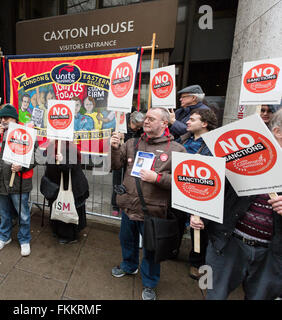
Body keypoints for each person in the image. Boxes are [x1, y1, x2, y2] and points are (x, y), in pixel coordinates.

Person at [191, 108, 282, 300]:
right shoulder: (245, 152)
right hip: (226, 243)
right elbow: (215, 188)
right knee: (211, 291)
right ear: (278, 132)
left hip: (271, 254)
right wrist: (200, 214)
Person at [110, 107, 186, 300]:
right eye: (146, 118)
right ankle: (129, 266)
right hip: (129, 206)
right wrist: (115, 148)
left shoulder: (177, 149)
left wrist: (157, 178)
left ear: (164, 123)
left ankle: (150, 282)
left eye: (152, 118)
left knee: (152, 250)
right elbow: (116, 165)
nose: (146, 120)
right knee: (127, 241)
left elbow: (183, 181)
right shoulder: (132, 142)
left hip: (153, 211)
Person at [0, 104, 38, 257]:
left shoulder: (27, 132)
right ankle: (4, 237)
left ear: (15, 118)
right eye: (1, 117)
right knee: (4, 212)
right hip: (1, 180)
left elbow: (36, 157)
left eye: (6, 117)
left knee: (23, 214)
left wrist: (23, 166)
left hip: (19, 182)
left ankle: (24, 239)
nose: (3, 120)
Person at [176, 108, 218, 280]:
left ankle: (197, 262)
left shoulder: (213, 145)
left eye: (192, 119)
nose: (187, 121)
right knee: (177, 222)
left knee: (198, 229)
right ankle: (172, 250)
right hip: (180, 189)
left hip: (200, 192)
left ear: (205, 124)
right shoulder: (184, 140)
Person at [42, 139, 89, 244]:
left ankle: (70, 236)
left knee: (68, 210)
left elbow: (70, 167)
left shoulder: (70, 148)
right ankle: (58, 230)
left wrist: (62, 161)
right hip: (57, 186)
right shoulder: (53, 145)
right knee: (59, 208)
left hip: (71, 187)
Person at [111, 111, 145, 217]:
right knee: (117, 181)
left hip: (133, 160)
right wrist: (119, 137)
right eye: (137, 126)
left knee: (129, 182)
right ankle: (115, 205)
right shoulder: (120, 126)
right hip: (120, 157)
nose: (138, 129)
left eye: (140, 127)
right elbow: (112, 142)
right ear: (131, 122)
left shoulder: (141, 130)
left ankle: (126, 204)